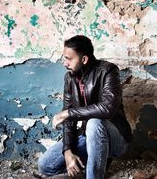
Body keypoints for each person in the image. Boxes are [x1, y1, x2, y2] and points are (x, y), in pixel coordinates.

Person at [38, 35, 132, 179]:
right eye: (64, 58)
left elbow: (108, 108)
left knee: (94, 122)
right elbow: (69, 120)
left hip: (116, 138)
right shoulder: (69, 78)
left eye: (69, 59)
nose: (64, 63)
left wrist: (69, 113)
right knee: (45, 165)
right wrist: (68, 152)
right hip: (88, 136)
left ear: (84, 59)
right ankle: (85, 171)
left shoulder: (107, 71)